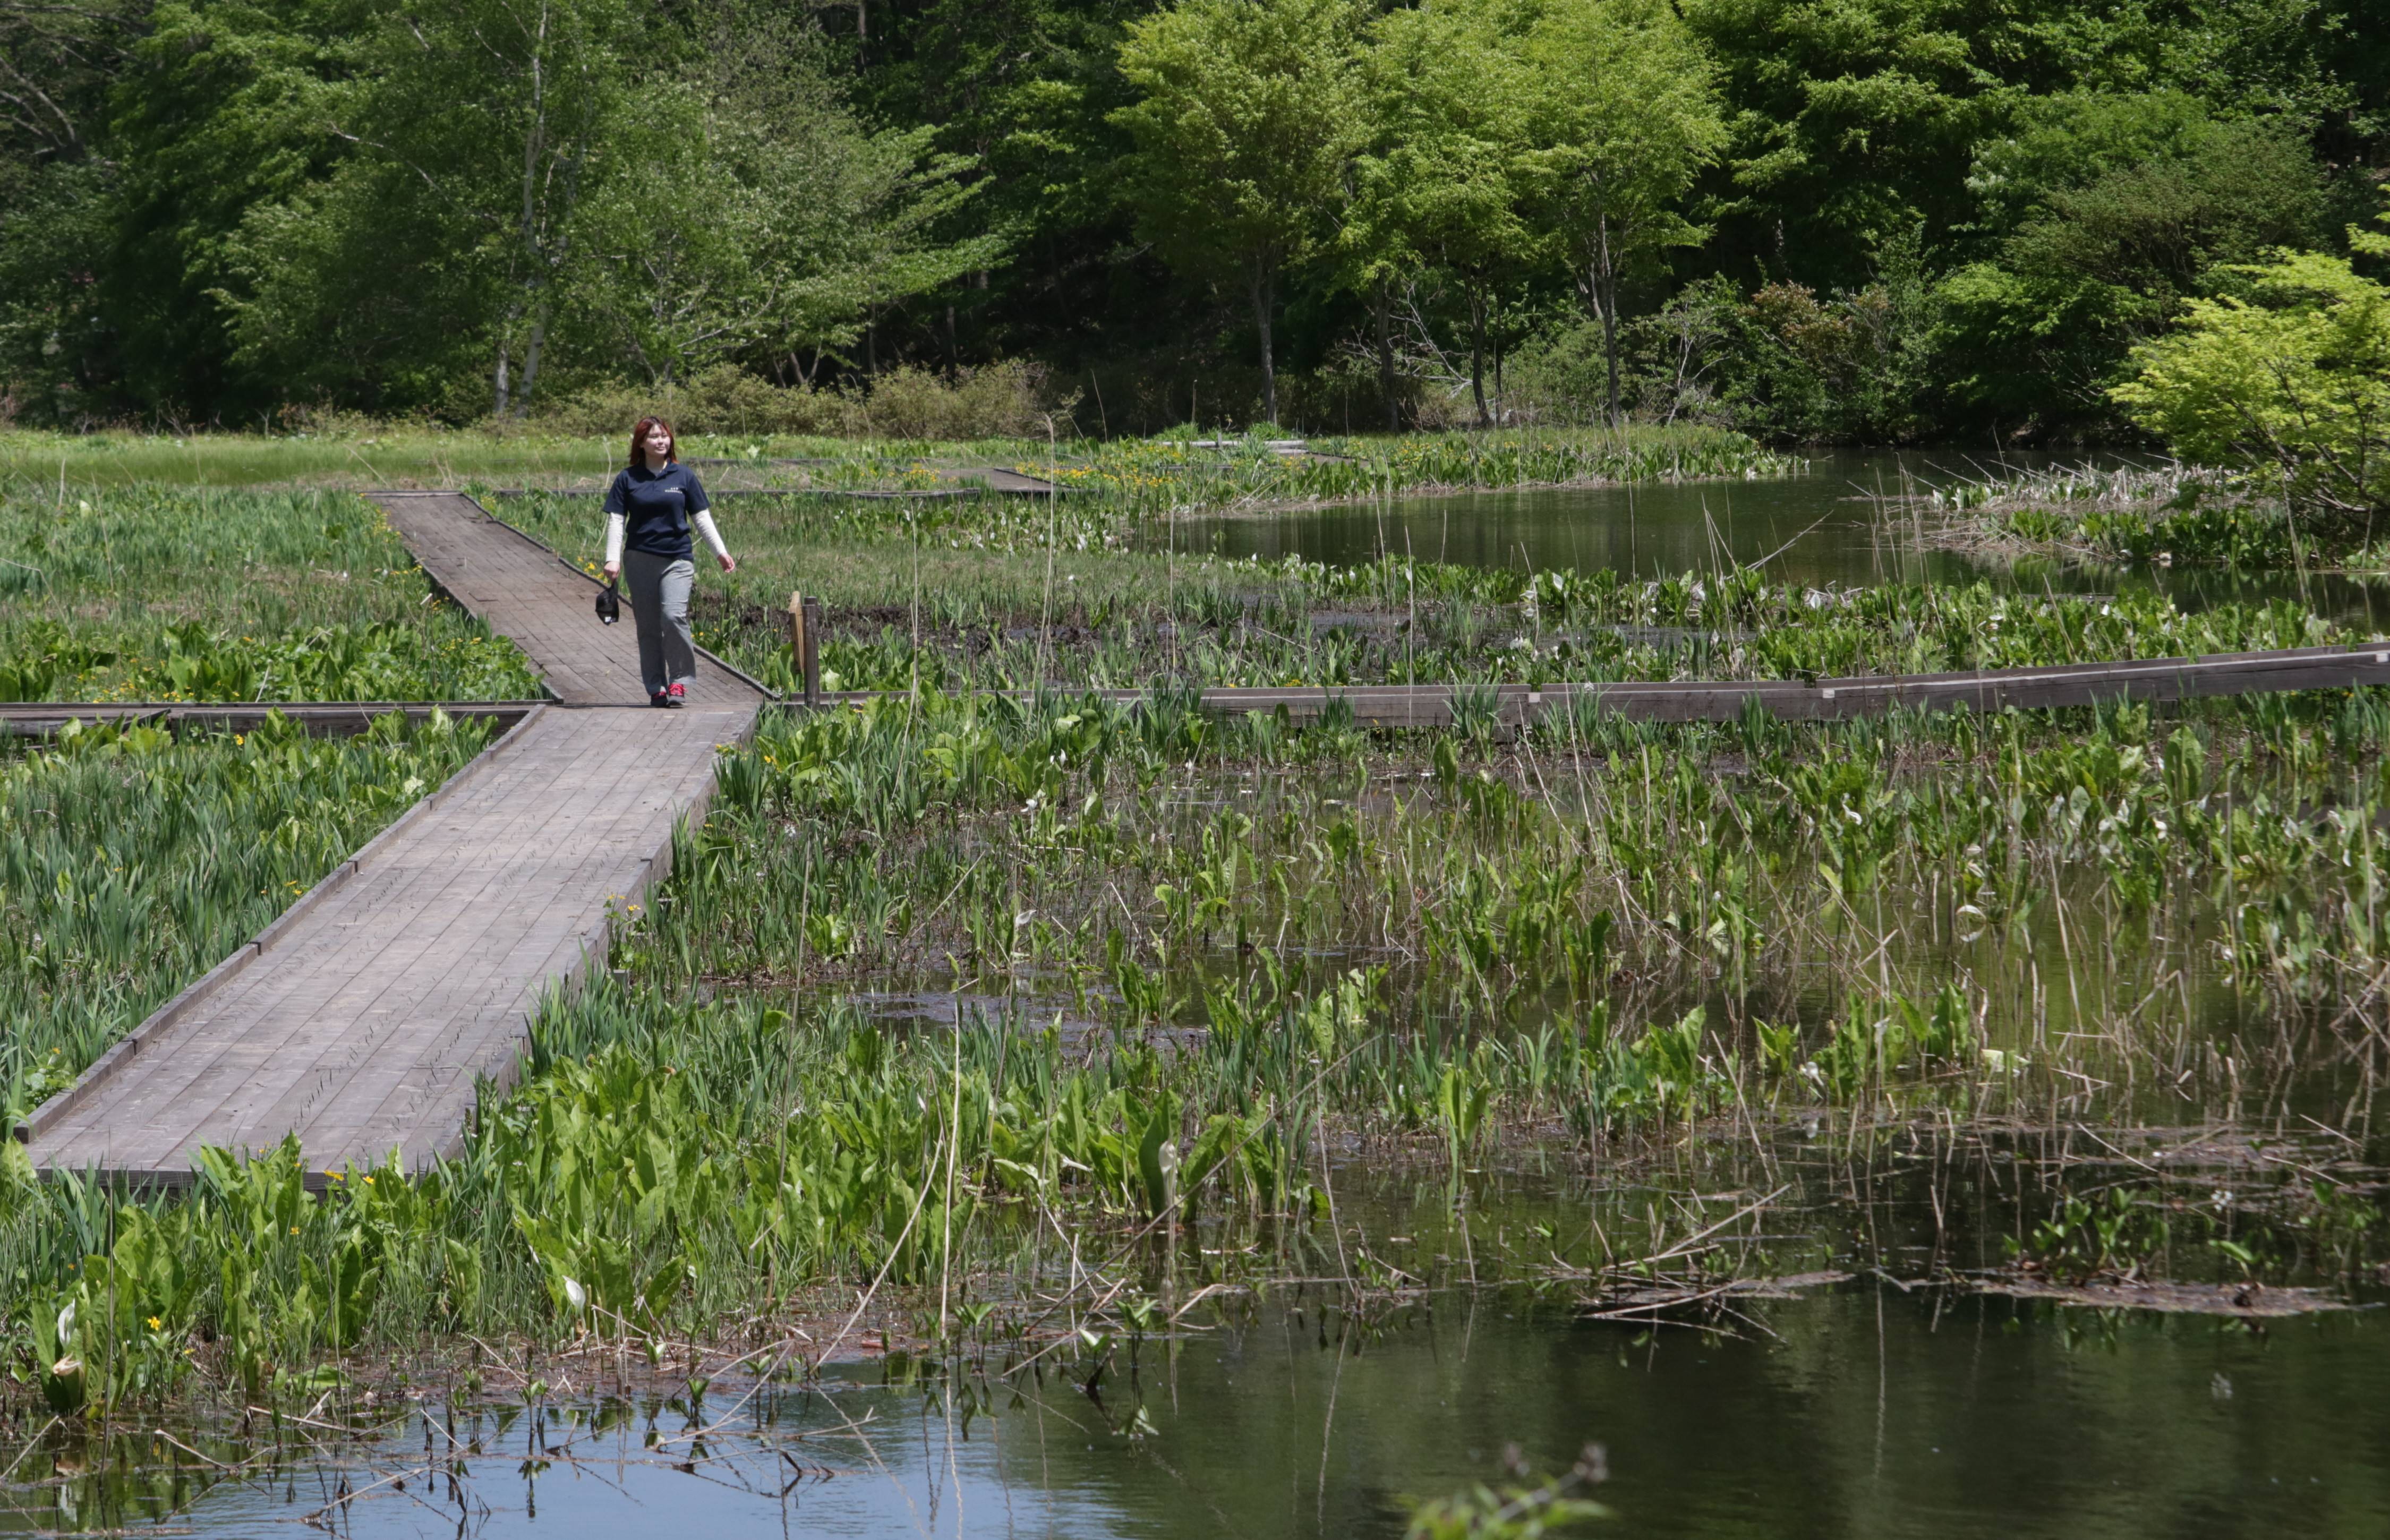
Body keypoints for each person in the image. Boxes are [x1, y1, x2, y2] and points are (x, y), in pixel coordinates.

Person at [601, 416, 736, 707]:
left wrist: (720, 552)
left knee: (674, 617)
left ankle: (679, 682)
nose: (661, 441)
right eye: (653, 437)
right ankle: (656, 687)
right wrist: (612, 559)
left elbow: (701, 517)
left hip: (678, 558)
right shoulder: (628, 478)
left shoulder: (683, 476)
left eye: (664, 436)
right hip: (640, 559)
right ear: (641, 443)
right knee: (648, 626)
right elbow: (616, 519)